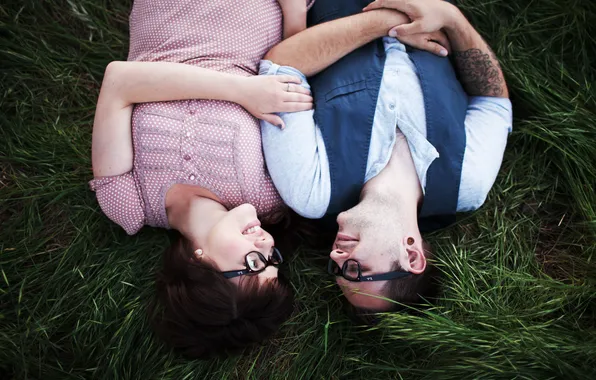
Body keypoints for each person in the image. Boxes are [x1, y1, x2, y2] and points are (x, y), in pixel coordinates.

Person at [89, 0, 316, 357]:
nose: (266, 246)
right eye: (273, 261)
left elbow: (120, 80)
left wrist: (242, 92)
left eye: (254, 264)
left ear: (200, 265)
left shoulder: (128, 204)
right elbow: (291, 77)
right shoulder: (270, 196)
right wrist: (295, 14)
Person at [259, 0, 512, 313]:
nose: (337, 258)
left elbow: (281, 68)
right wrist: (451, 18)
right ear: (412, 255)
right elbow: (493, 101)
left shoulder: (312, 191)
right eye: (355, 270)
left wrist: (389, 21)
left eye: (335, 270)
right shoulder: (468, 182)